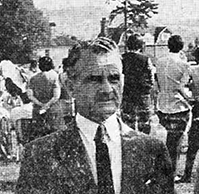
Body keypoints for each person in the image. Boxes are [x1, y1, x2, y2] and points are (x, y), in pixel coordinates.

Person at [16, 37, 174, 194]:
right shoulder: (40, 154)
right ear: (71, 87)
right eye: (94, 79)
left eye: (114, 79)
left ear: (123, 82)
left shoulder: (152, 151)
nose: (107, 89)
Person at [155, 35, 191, 178]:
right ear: (181, 47)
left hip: (162, 105)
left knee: (168, 142)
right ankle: (171, 173)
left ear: (168, 46)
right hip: (178, 107)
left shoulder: (159, 61)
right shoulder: (184, 64)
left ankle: (164, 172)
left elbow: (157, 82)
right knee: (175, 144)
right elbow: (183, 88)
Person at [121, 33, 154, 134]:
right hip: (142, 95)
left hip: (127, 94)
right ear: (140, 45)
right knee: (144, 122)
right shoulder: (145, 59)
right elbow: (151, 78)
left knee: (127, 122)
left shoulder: (122, 58)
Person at [27, 56, 65, 138]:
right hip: (53, 109)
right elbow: (56, 96)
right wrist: (47, 105)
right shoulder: (55, 76)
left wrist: (40, 104)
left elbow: (30, 95)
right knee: (56, 134)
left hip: (38, 109)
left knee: (40, 134)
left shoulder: (33, 78)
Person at [178, 47, 199, 183]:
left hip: (197, 104)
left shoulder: (193, 70)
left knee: (193, 144)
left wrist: (189, 98)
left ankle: (187, 175)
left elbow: (181, 86)